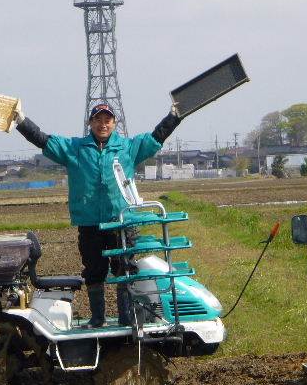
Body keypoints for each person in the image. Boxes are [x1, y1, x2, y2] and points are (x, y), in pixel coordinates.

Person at [14, 102, 181, 327]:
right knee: (93, 271)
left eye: (107, 120)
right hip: (90, 223)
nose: (103, 124)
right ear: (90, 123)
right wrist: (21, 121)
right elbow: (44, 140)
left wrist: (173, 117)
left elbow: (155, 139)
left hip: (121, 222)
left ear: (114, 123)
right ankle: (97, 319)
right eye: (98, 120)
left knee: (124, 268)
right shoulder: (75, 149)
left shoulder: (128, 147)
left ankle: (126, 318)